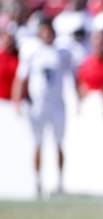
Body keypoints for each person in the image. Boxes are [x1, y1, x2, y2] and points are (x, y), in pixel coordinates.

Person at [12, 18, 73, 195]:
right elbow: (21, 77)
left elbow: (72, 76)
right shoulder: (31, 51)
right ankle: (38, 182)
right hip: (38, 105)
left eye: (49, 32)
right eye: (44, 32)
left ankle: (60, 182)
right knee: (38, 143)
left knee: (59, 143)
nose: (47, 35)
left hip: (57, 105)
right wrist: (17, 99)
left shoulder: (62, 53)